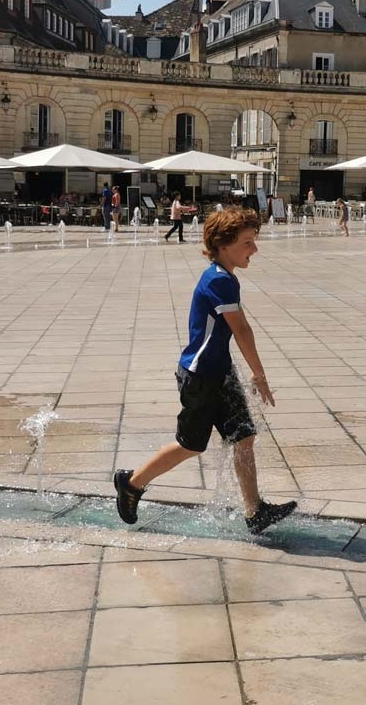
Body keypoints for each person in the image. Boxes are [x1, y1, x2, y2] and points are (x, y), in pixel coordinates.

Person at [114, 207, 296, 535]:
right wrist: (259, 375)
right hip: (200, 377)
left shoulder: (224, 278)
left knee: (244, 437)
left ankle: (255, 512)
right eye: (247, 242)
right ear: (224, 244)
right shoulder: (219, 281)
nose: (254, 249)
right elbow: (241, 330)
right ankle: (131, 483)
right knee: (190, 445)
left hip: (219, 372)